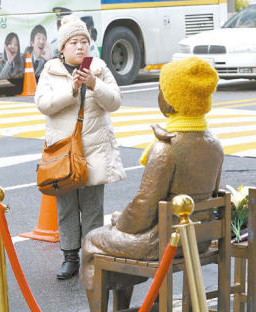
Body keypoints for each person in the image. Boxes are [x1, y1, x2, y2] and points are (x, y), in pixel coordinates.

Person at [80, 57, 223, 310]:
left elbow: (144, 207)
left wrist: (119, 222)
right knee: (119, 233)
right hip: (198, 238)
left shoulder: (166, 147)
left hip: (165, 241)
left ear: (172, 98)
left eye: (162, 89)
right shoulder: (214, 144)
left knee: (92, 240)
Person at [35, 15, 126, 280]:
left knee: (93, 208)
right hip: (63, 151)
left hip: (94, 150)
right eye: (73, 42)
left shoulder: (98, 68)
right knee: (66, 207)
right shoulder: (51, 71)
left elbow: (116, 101)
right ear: (62, 47)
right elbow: (44, 104)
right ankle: (70, 257)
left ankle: (92, 256)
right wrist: (72, 89)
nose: (80, 47)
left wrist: (94, 84)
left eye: (84, 41)